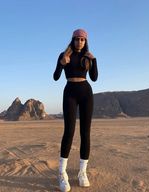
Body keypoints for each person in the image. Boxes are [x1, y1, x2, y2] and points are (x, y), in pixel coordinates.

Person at [53, 29, 98, 192]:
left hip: (86, 93)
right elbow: (56, 77)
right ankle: (61, 172)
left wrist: (95, 61)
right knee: (69, 131)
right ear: (72, 40)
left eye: (82, 39)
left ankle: (82, 172)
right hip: (70, 93)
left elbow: (94, 78)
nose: (79, 42)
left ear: (85, 42)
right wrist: (61, 64)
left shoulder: (88, 57)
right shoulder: (64, 55)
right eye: (77, 39)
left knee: (85, 133)